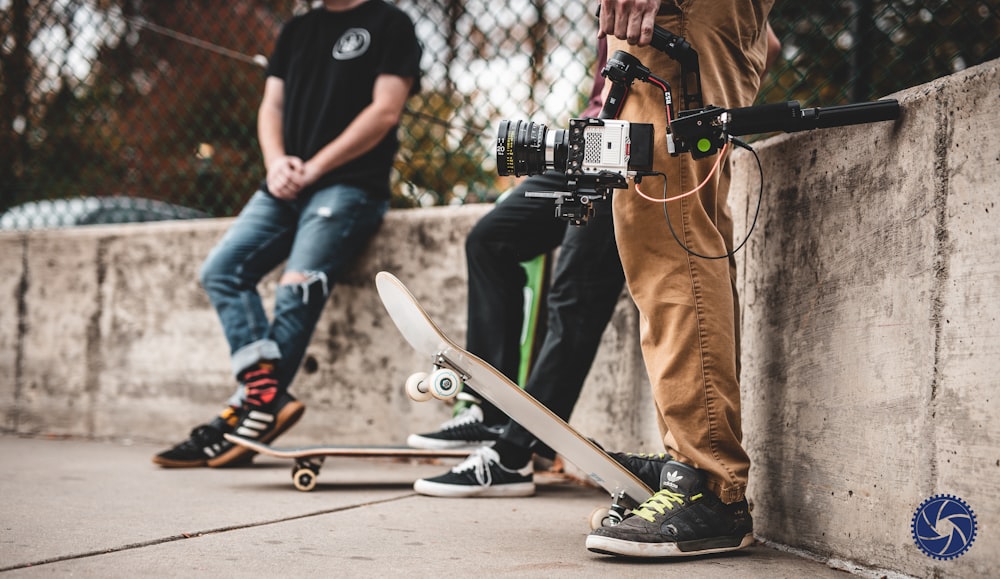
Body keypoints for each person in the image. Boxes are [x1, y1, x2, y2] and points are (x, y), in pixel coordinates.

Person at [153, 0, 421, 468]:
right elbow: (271, 105)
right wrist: (276, 162)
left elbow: (384, 112)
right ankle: (263, 398)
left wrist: (315, 167)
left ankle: (244, 414)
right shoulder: (297, 30)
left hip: (347, 186)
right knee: (222, 269)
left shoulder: (389, 23)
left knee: (297, 288)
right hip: (285, 184)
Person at [407, 38, 673, 497]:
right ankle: (492, 411)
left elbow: (758, 44)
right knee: (491, 240)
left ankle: (514, 454)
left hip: (633, 152)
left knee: (574, 295)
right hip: (587, 143)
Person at [580, 0, 775, 559]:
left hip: (673, 15)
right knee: (687, 224)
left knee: (665, 230)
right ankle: (690, 461)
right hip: (688, 17)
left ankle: (709, 484)